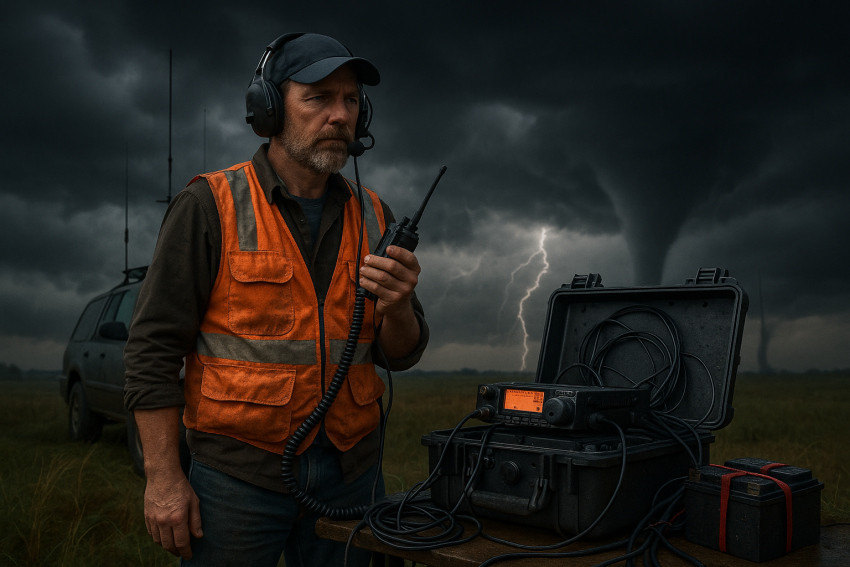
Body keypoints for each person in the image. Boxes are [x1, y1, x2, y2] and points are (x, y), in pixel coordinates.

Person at [123, 33, 429, 567]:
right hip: (237, 478)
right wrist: (165, 479)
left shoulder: (376, 214)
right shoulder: (208, 205)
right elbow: (152, 349)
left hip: (353, 473)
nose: (339, 115)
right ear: (268, 108)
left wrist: (400, 305)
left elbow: (400, 354)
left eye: (351, 100)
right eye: (318, 98)